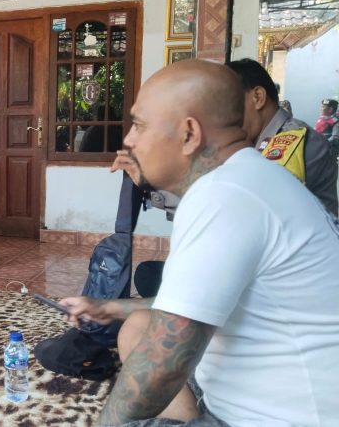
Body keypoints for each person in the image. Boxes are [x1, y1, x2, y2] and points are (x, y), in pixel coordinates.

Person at [63, 60, 339, 426]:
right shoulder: (248, 175)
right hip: (279, 396)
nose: (129, 139)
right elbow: (188, 307)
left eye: (139, 125)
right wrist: (111, 307)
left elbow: (161, 366)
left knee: (146, 372)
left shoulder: (223, 195)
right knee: (138, 327)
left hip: (283, 417)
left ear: (190, 134)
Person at [114, 59, 338, 217]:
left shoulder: (292, 140)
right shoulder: (253, 146)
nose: (225, 116)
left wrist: (161, 183)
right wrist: (152, 184)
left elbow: (238, 211)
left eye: (233, 105)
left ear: (258, 97)